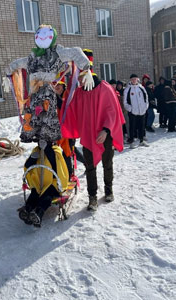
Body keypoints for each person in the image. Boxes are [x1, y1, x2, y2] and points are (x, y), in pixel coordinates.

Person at [2, 24, 93, 144]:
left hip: (47, 94)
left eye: (47, 34)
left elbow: (75, 51)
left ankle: (48, 146)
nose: (43, 37)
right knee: (33, 119)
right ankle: (39, 144)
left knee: (47, 120)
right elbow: (17, 63)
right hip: (34, 94)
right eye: (40, 34)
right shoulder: (33, 57)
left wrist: (86, 69)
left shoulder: (58, 53)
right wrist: (7, 75)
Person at [60, 50, 125, 211]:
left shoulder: (104, 88)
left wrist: (105, 131)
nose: (79, 81)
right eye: (78, 78)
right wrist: (58, 95)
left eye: (81, 77)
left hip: (105, 134)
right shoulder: (79, 93)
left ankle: (108, 190)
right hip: (89, 136)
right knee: (90, 167)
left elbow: (112, 111)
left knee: (107, 164)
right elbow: (70, 110)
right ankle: (92, 197)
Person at [18, 143, 69, 227]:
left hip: (53, 182)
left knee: (47, 196)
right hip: (38, 182)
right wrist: (32, 159)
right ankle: (27, 210)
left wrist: (48, 150)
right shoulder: (36, 150)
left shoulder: (56, 151)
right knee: (34, 193)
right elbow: (28, 166)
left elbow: (58, 167)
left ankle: (39, 213)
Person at [123, 74, 149, 148]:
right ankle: (131, 141)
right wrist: (130, 109)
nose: (134, 80)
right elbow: (125, 102)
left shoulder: (141, 88)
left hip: (142, 111)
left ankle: (141, 140)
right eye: (132, 79)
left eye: (135, 79)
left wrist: (145, 106)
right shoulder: (128, 89)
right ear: (130, 80)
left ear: (137, 79)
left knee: (142, 126)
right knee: (132, 127)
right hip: (133, 112)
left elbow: (146, 98)